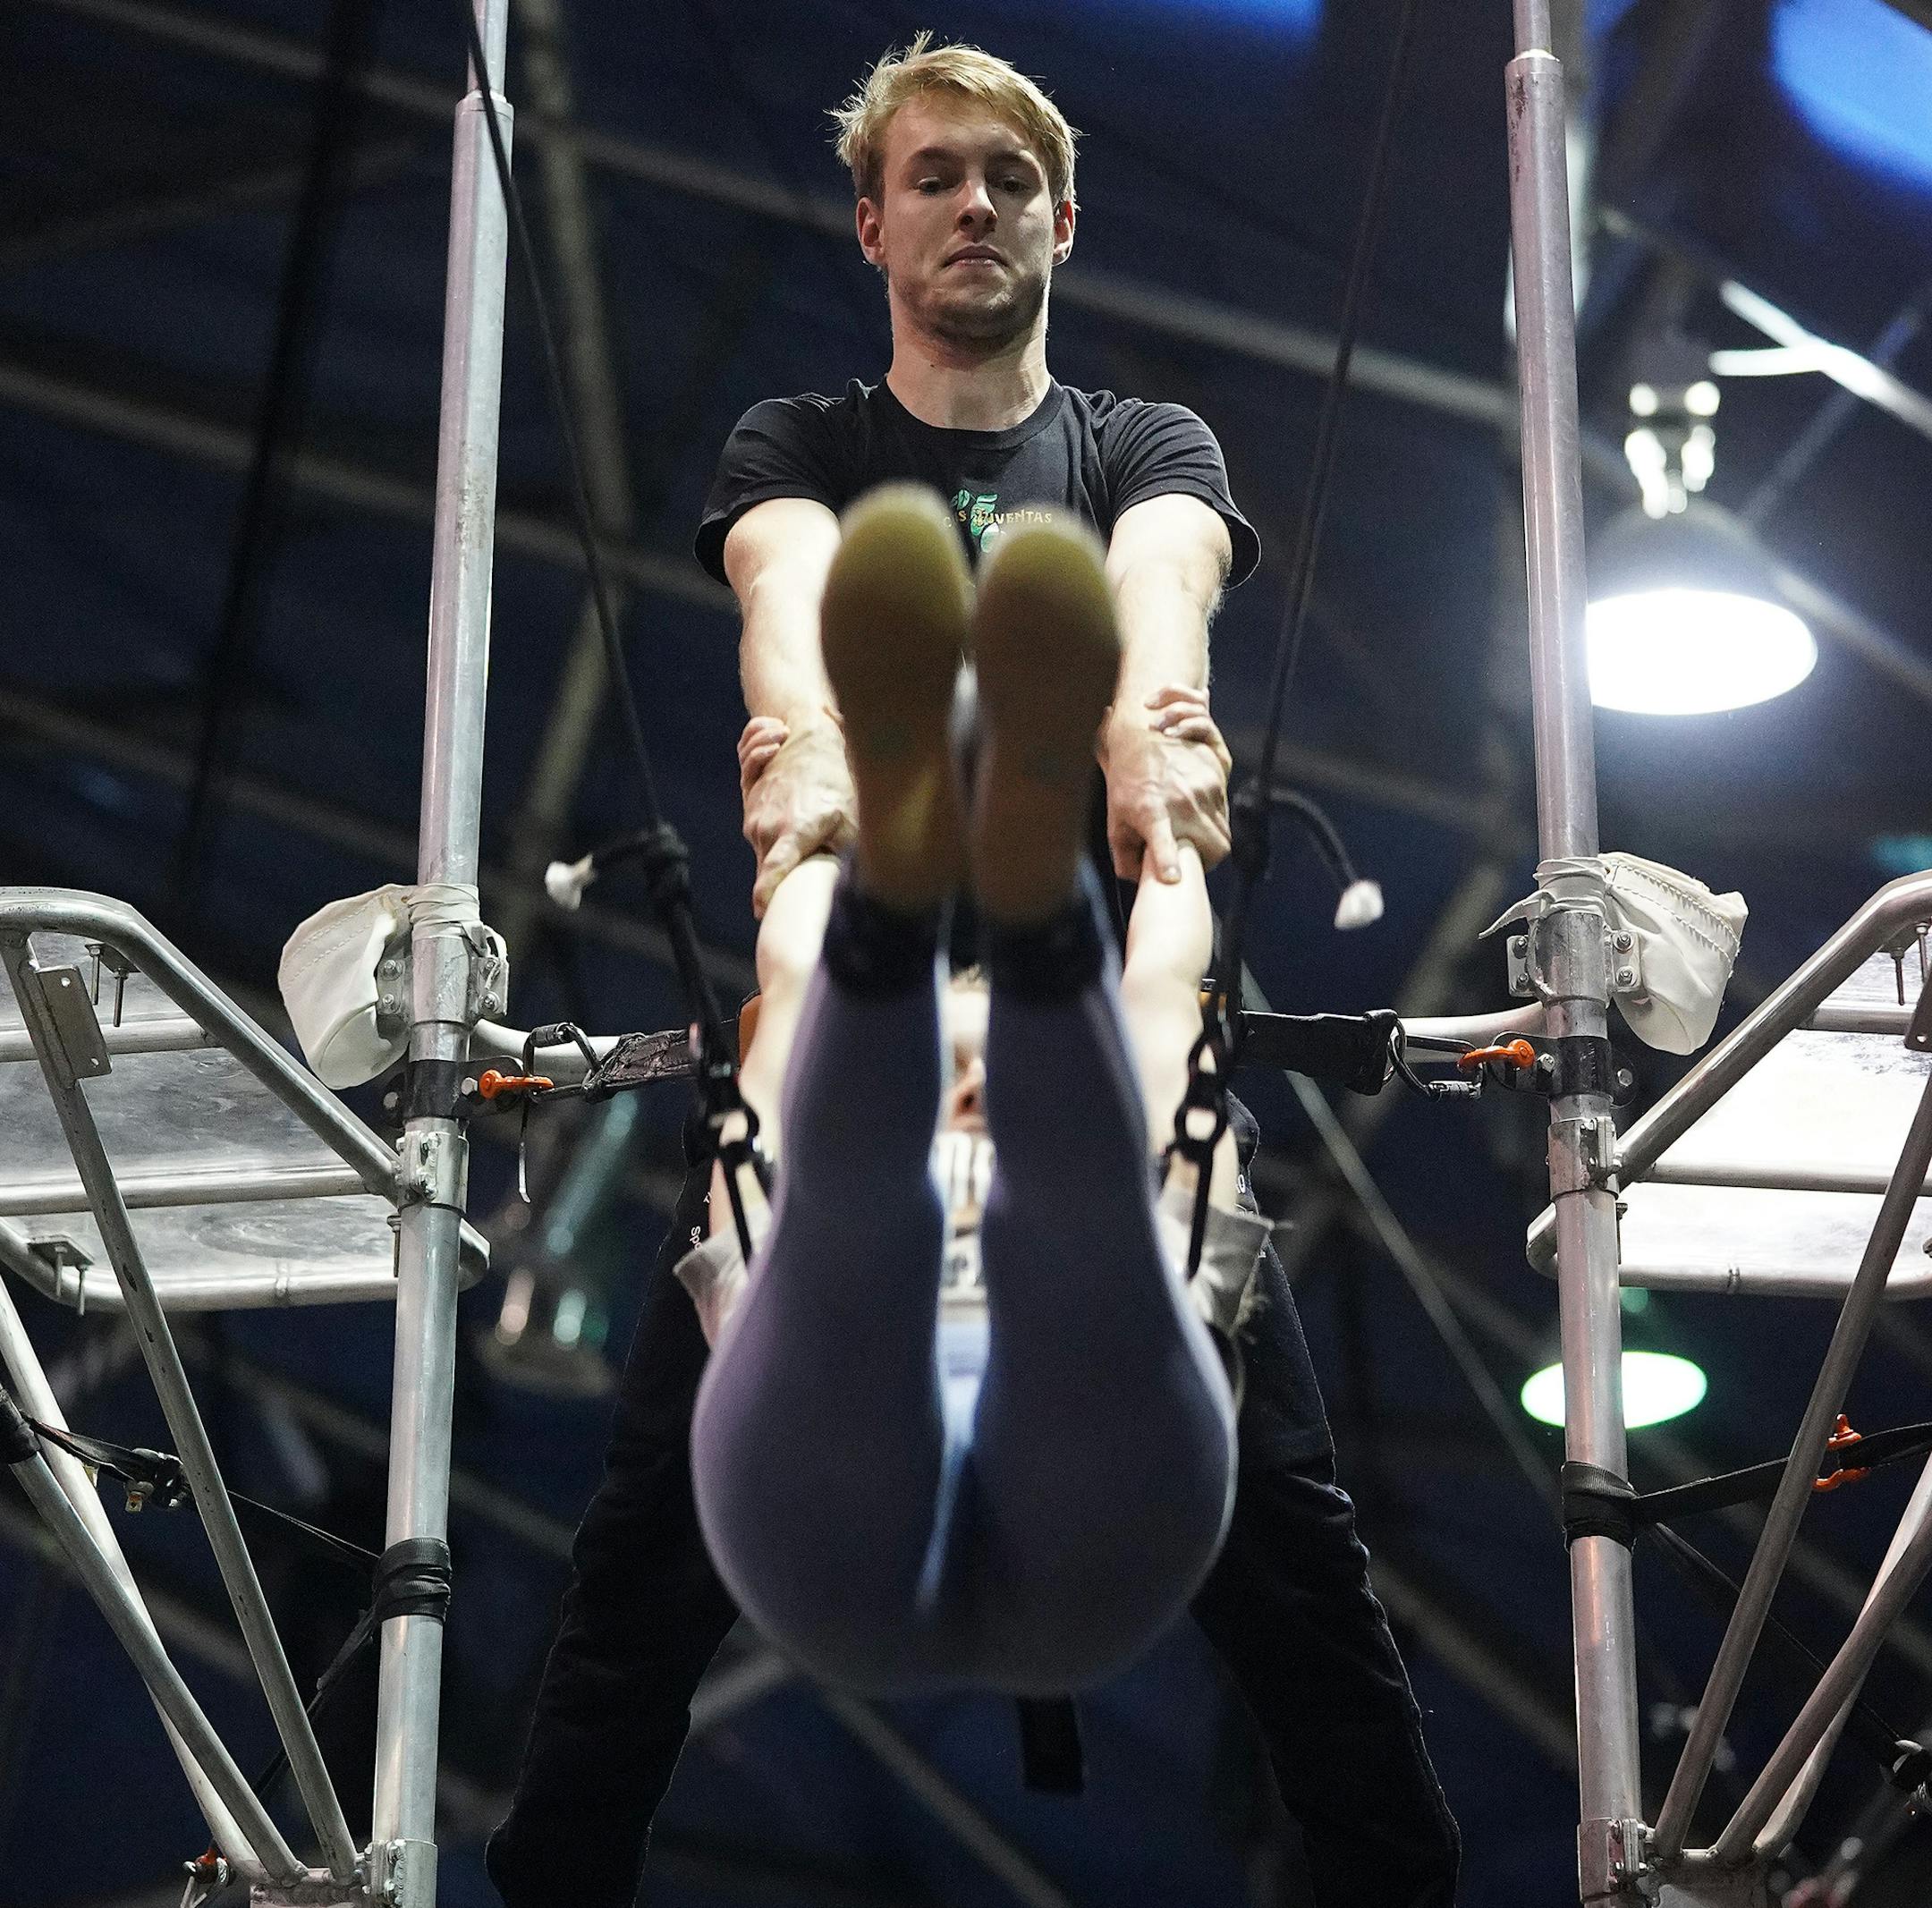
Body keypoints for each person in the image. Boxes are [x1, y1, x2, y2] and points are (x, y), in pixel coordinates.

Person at [487, 34, 1461, 1908]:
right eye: (934, 177)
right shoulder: (802, 448)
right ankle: (908, 899)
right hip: (870, 1002)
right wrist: (822, 768)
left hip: (1098, 1013)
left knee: (1336, 1671)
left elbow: (1163, 595)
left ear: (1063, 221)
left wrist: (1153, 732)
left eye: (1009, 180)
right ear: (873, 225)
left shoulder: (1142, 451)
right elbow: (788, 603)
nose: (973, 207)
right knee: (611, 1652)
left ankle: (989, 912)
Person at [680, 488, 1269, 1696]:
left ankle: (982, 892)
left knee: (1075, 1219)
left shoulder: (1109, 1101)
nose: (964, 1089)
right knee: (855, 1220)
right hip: (1056, 1516)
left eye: (975, 1062)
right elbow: (793, 952)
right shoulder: (839, 1087)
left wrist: (1158, 792)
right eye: (954, 1059)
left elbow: (1163, 973)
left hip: (844, 1525)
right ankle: (979, 900)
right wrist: (815, 782)